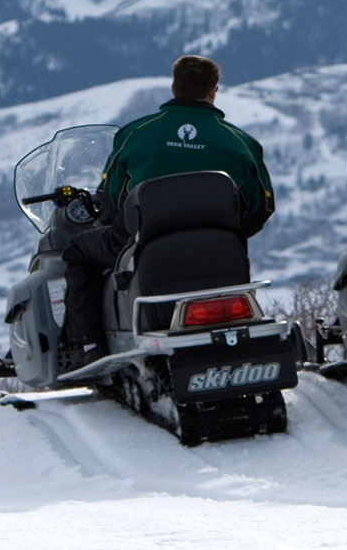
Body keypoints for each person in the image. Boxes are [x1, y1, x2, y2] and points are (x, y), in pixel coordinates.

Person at [61, 55, 275, 369]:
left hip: (143, 242)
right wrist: (225, 232)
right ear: (213, 91)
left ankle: (87, 347)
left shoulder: (136, 133)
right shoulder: (241, 142)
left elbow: (111, 198)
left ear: (174, 87)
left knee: (79, 252)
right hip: (219, 249)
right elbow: (260, 206)